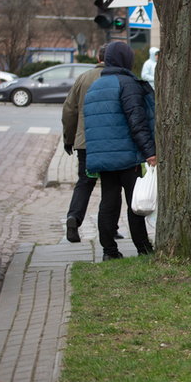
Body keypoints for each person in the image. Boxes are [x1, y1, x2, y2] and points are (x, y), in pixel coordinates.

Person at [83, 41, 157, 260]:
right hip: (126, 155)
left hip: (102, 157)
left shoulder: (96, 85)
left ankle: (109, 251)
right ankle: (143, 248)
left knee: (108, 202)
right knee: (136, 202)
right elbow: (137, 121)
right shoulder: (127, 83)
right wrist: (150, 152)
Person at [62, 46, 123, 243]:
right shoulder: (119, 79)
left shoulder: (83, 78)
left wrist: (69, 139)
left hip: (85, 143)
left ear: (98, 57)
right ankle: (110, 228)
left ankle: (74, 217)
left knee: (85, 182)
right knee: (111, 185)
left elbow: (69, 110)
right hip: (110, 142)